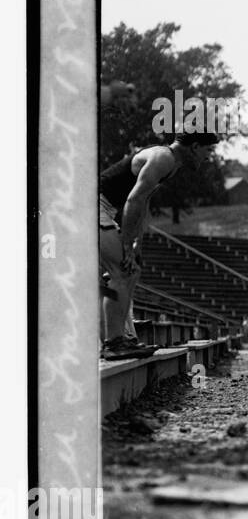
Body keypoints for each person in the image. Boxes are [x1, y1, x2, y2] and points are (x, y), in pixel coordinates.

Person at [99, 133, 219, 360]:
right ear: (194, 146)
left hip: (104, 210)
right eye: (207, 152)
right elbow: (133, 200)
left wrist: (136, 243)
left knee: (130, 271)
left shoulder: (170, 163)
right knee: (123, 271)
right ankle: (113, 343)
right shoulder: (164, 158)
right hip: (93, 206)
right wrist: (125, 243)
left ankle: (119, 338)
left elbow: (143, 201)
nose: (207, 158)